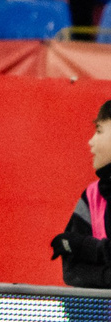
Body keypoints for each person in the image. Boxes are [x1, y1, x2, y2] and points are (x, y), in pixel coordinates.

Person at [50, 102, 111, 288]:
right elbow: (72, 271)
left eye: (99, 131)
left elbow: (74, 247)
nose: (90, 142)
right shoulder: (92, 195)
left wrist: (84, 246)